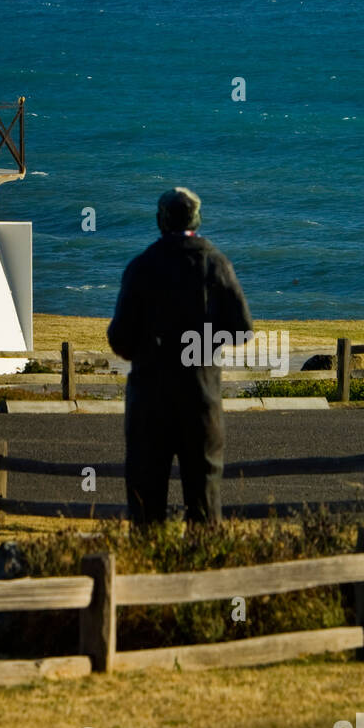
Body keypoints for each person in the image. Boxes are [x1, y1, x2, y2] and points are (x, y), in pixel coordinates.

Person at [107, 187, 253, 526]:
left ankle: (145, 570)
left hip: (149, 399)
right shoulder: (215, 263)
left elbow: (120, 338)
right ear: (197, 219)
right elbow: (242, 329)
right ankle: (202, 571)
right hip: (200, 397)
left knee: (146, 500)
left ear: (160, 220)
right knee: (204, 500)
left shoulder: (142, 267)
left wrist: (150, 349)